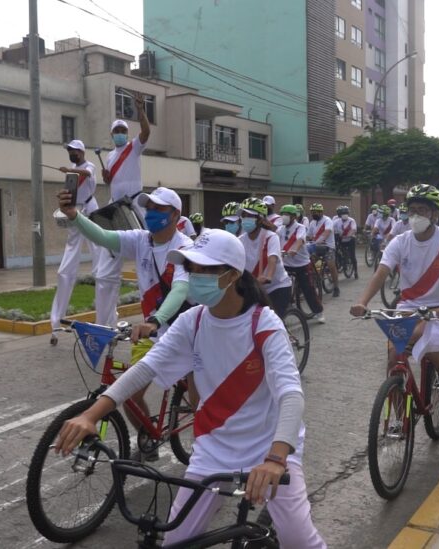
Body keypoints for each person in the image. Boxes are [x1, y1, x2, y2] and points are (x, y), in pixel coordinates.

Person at [53, 229, 326, 548]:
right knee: (176, 542)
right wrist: (91, 415)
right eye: (191, 269)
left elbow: (291, 394)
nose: (195, 277)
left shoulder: (263, 323)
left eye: (205, 270)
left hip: (268, 448)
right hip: (212, 451)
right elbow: (146, 368)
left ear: (233, 275)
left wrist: (277, 459)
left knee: (299, 541)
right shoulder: (192, 321)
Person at [56, 186, 193, 461]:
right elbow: (104, 237)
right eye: (148, 208)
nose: (151, 213)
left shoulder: (185, 248)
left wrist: (156, 319)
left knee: (200, 398)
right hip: (150, 333)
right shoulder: (140, 239)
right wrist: (74, 215)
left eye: (158, 209)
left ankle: (208, 454)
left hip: (183, 333)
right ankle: (147, 439)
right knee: (129, 392)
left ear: (175, 214)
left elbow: (180, 289)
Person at [350, 184, 439, 400]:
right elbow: (381, 273)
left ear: (435, 213)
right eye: (412, 210)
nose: (415, 215)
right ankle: (396, 418)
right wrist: (362, 302)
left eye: (422, 210)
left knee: (420, 335)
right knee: (393, 357)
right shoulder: (400, 242)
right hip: (408, 305)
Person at [96, 95, 151, 328]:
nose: (119, 132)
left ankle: (153, 311)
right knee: (108, 267)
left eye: (122, 129)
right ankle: (106, 321)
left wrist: (141, 111)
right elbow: (112, 181)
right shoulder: (109, 156)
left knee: (146, 256)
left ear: (126, 133)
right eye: (116, 130)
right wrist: (107, 178)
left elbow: (146, 133)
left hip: (135, 206)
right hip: (116, 209)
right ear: (111, 134)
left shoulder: (133, 147)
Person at [49, 139, 102, 345]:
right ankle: (55, 320)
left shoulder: (89, 166)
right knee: (66, 267)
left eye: (73, 150)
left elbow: (88, 174)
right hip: (75, 212)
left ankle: (104, 319)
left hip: (90, 210)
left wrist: (69, 171)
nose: (71, 153)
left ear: (81, 151)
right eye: (69, 151)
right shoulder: (72, 171)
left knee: (99, 257)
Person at [238, 197, 292, 319]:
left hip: (277, 286)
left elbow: (272, 258)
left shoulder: (271, 237)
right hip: (255, 288)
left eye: (250, 215)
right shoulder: (240, 240)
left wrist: (268, 276)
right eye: (243, 215)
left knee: (273, 321)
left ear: (260, 219)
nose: (245, 218)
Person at [278, 204, 325, 322]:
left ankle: (318, 312)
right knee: (281, 289)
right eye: (282, 214)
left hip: (302, 264)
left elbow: (300, 239)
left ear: (294, 216)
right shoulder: (280, 229)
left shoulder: (300, 228)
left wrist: (294, 249)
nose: (284, 217)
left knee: (308, 289)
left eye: (287, 215)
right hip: (286, 264)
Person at [307, 203, 340, 298]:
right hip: (316, 247)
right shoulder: (312, 222)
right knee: (310, 263)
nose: (314, 214)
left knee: (331, 266)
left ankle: (336, 287)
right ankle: (315, 281)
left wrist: (318, 241)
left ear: (321, 212)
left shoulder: (327, 220)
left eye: (316, 212)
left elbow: (327, 232)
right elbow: (308, 235)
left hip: (328, 246)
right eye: (312, 212)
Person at [333, 205, 359, 279]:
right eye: (343, 213)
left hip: (350, 240)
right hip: (341, 240)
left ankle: (356, 272)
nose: (344, 215)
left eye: (346, 213)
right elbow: (332, 229)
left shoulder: (352, 220)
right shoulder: (336, 221)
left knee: (352, 255)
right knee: (337, 250)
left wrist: (348, 235)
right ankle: (340, 263)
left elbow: (353, 230)